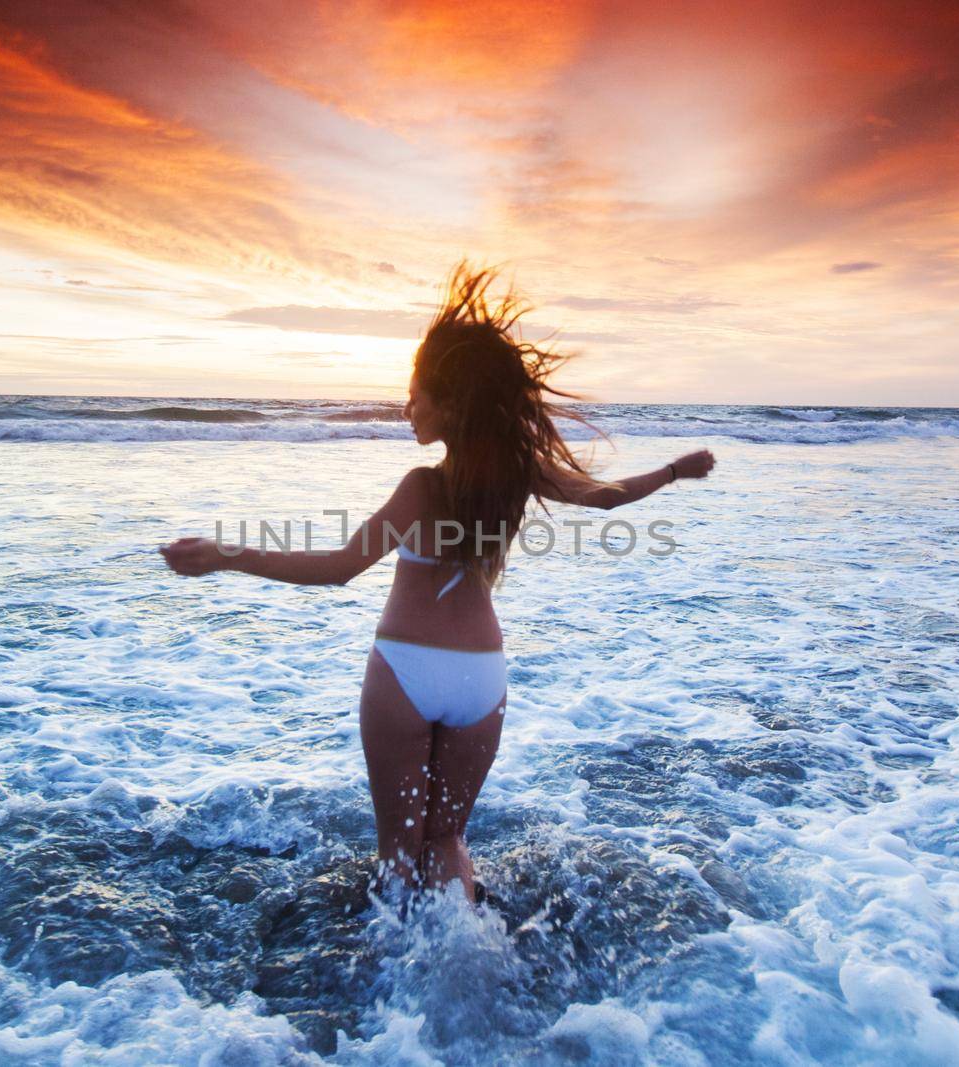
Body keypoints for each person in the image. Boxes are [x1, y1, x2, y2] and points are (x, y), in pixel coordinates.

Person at [160, 264, 715, 903]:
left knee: (399, 848)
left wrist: (227, 555)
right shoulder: (519, 476)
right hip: (481, 680)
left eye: (416, 393)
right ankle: (467, 962)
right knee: (448, 838)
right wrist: (675, 470)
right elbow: (608, 498)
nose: (407, 408)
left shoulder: (422, 487)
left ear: (449, 404)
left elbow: (338, 568)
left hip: (405, 672)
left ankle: (390, 981)